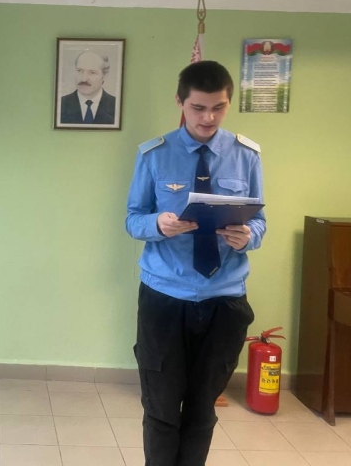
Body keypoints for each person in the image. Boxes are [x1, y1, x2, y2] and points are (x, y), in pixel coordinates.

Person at [125, 60, 265, 466]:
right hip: (165, 297)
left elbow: (260, 221)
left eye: (218, 108)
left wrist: (248, 236)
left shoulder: (246, 156)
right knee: (162, 409)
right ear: (180, 102)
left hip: (225, 299)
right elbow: (133, 219)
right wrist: (158, 224)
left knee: (203, 411)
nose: (208, 118)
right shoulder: (154, 154)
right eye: (198, 108)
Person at [60, 50, 116, 124]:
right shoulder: (60, 104)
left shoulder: (116, 106)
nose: (84, 79)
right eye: (79, 71)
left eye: (92, 72)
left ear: (104, 76)